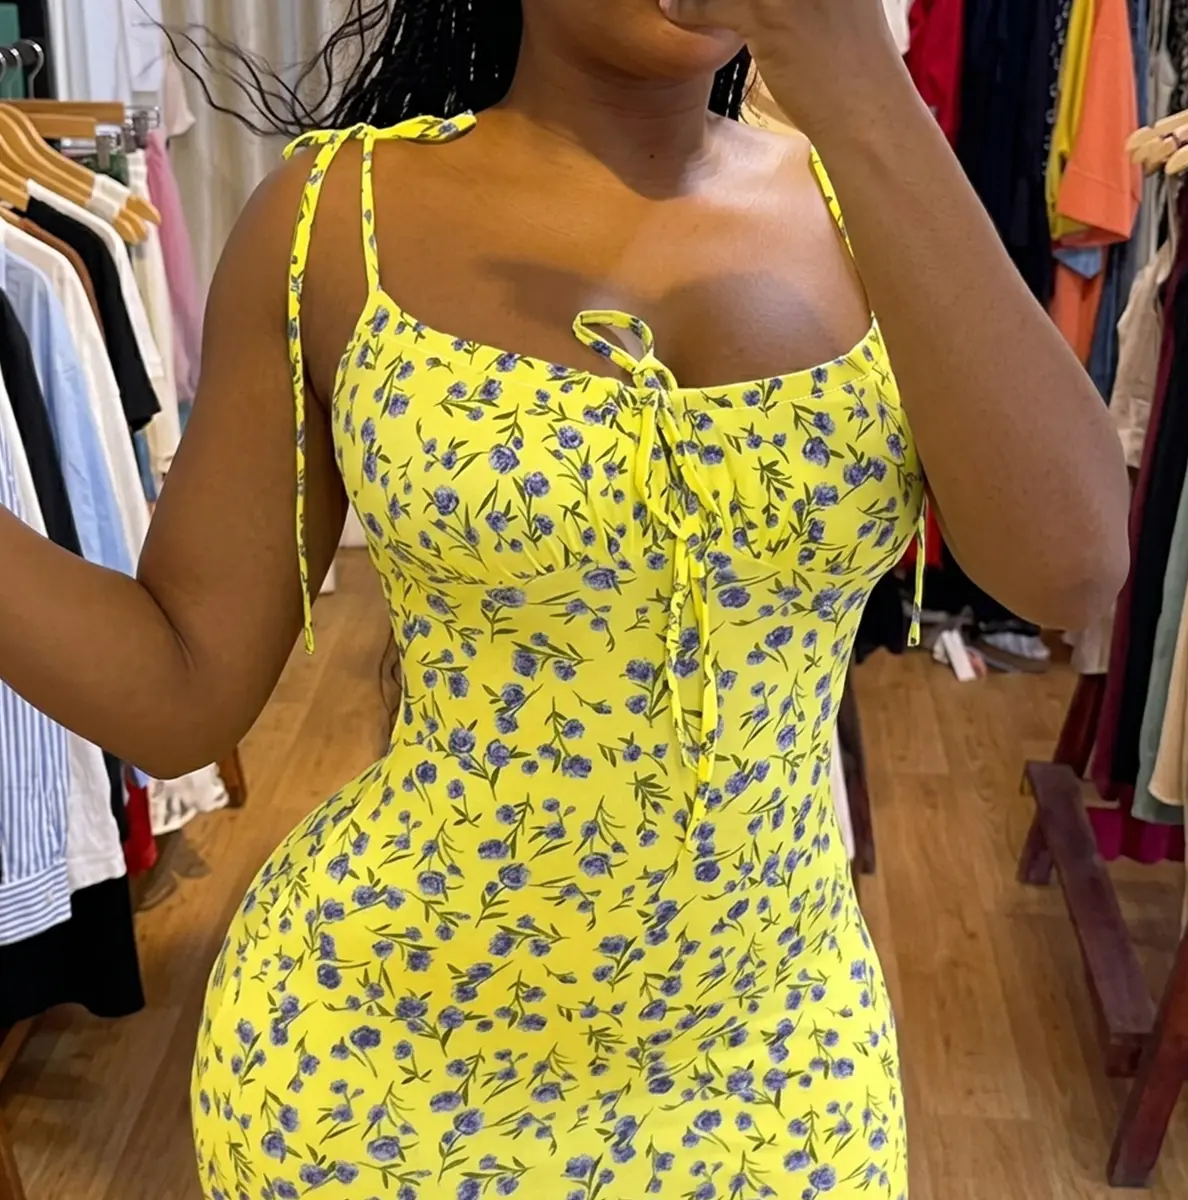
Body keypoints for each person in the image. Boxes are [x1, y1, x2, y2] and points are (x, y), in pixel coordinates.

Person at [1, 1, 1128, 1197]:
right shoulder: (334, 220)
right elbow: (182, 682)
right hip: (371, 1080)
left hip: (775, 1069)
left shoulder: (872, 200)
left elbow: (1067, 567)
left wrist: (857, 85)